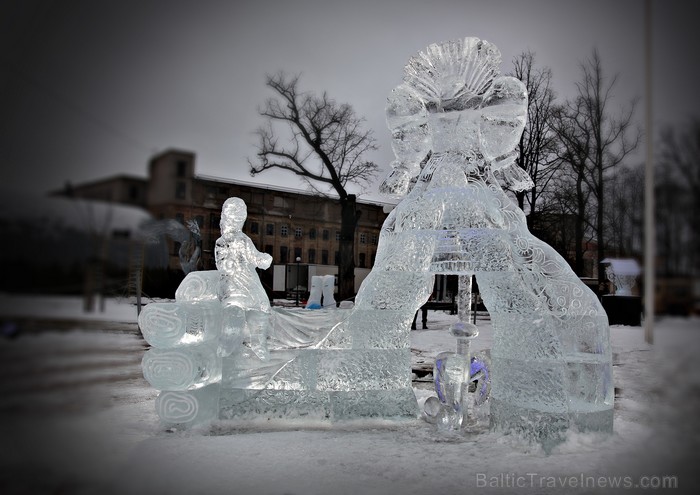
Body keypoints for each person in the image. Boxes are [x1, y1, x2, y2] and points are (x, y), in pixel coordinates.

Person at [215, 197, 272, 359]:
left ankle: (259, 346)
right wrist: (229, 264)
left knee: (260, 310)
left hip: (250, 283)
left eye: (241, 215)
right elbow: (222, 265)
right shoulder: (222, 242)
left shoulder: (244, 240)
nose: (238, 219)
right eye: (235, 215)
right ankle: (224, 349)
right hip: (233, 287)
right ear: (227, 217)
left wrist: (264, 259)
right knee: (234, 318)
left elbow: (254, 257)